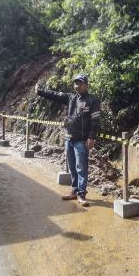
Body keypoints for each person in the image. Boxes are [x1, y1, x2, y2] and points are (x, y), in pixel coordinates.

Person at [36, 74, 101, 206]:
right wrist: (40, 91)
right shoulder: (71, 98)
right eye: (76, 83)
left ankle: (81, 195)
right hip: (69, 138)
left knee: (81, 168)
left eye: (80, 83)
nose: (77, 86)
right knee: (72, 167)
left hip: (82, 141)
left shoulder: (93, 100)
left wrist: (92, 137)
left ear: (86, 85)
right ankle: (75, 191)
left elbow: (95, 121)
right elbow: (55, 95)